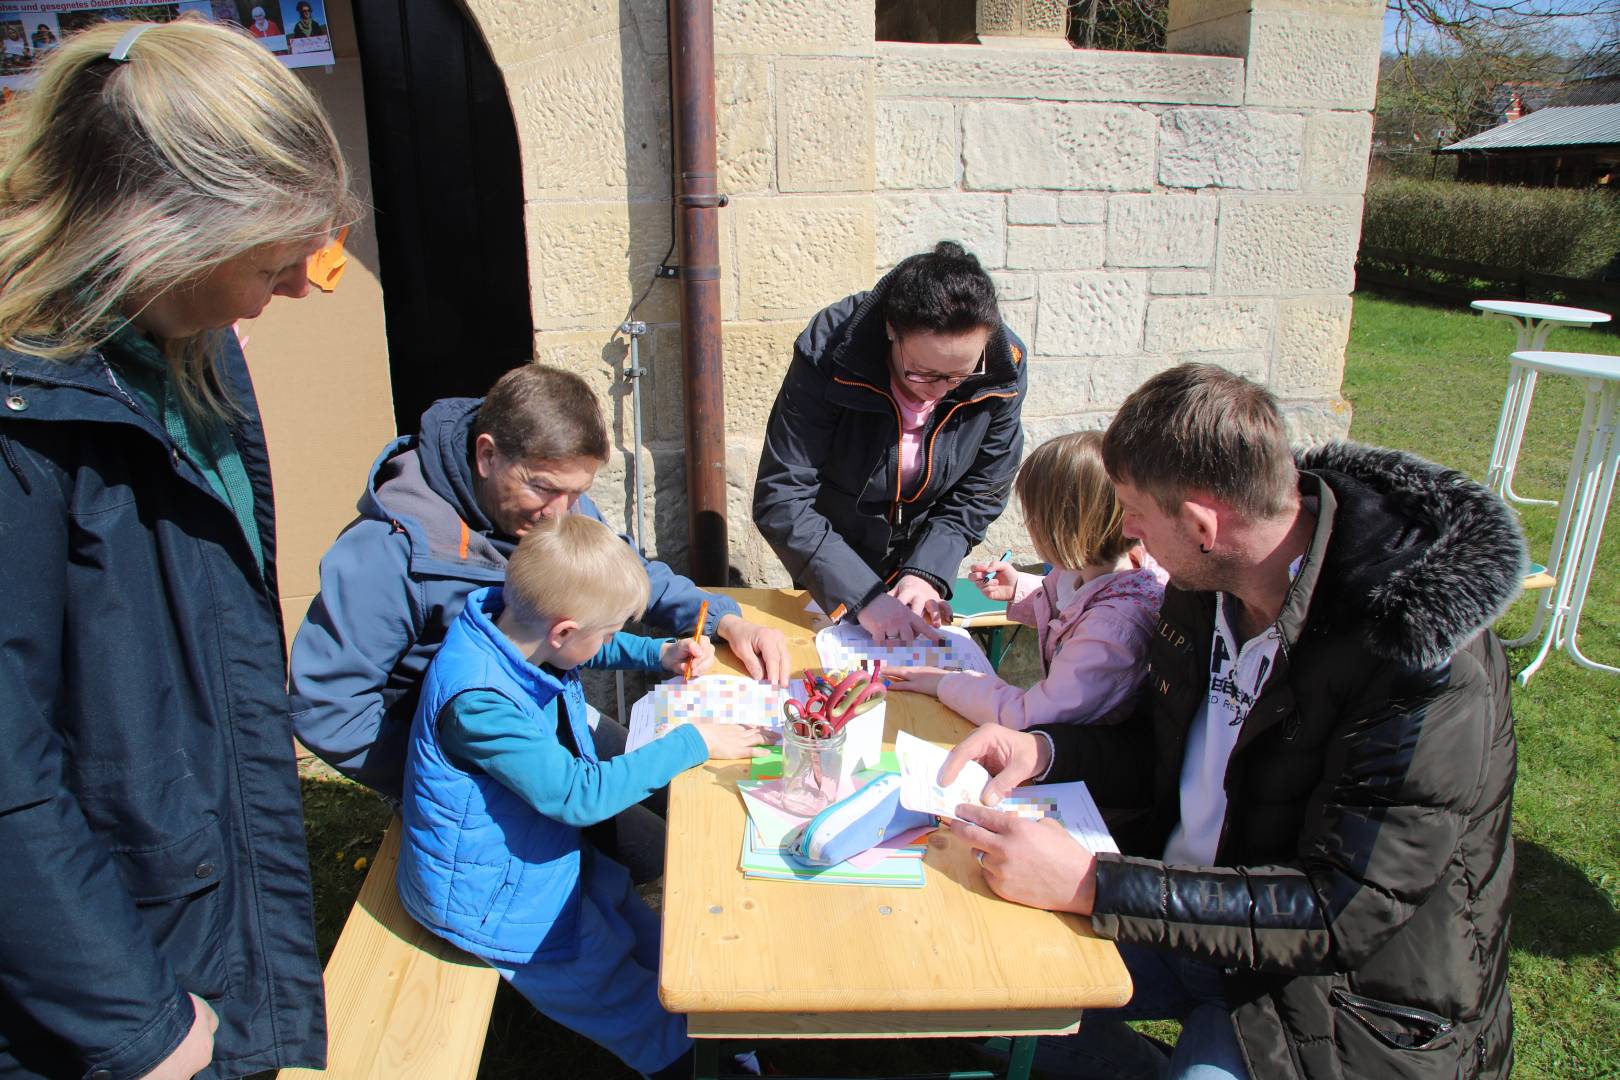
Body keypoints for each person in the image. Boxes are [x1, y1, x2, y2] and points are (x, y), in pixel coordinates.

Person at [940, 364, 1522, 1079]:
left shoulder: (1420, 659)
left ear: (1203, 523)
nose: (1127, 533)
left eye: (1135, 512)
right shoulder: (1204, 583)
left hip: (1337, 998)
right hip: (1191, 915)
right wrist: (1042, 750)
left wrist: (1096, 885)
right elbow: (1161, 751)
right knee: (972, 986)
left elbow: (1340, 910)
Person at [0, 18, 354, 1078]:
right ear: (159, 237)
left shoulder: (184, 352)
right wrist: (138, 1026)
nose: (298, 289)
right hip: (105, 990)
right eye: (273, 260)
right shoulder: (27, 421)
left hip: (188, 913)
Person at [290, 363, 790, 808]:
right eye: (544, 488)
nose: (561, 514)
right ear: (487, 456)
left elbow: (627, 577)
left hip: (554, 722)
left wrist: (724, 619)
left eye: (577, 494)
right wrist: (443, 776)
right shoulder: (389, 550)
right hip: (481, 768)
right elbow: (328, 712)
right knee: (640, 839)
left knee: (681, 809)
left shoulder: (558, 506)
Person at [397, 514, 773, 1079]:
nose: (609, 638)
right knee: (629, 1003)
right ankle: (706, 1067)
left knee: (656, 942)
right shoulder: (479, 704)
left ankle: (722, 1038)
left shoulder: (510, 626)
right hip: (502, 906)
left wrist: (659, 655)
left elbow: (583, 648)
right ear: (563, 630)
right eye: (608, 628)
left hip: (539, 857)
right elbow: (578, 795)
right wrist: (694, 741)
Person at [752, 240, 1028, 645]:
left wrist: (927, 572)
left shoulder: (1003, 369)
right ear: (891, 330)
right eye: (921, 372)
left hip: (926, 550)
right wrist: (862, 595)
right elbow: (783, 496)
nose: (937, 391)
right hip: (834, 548)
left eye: (959, 376)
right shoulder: (830, 350)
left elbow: (982, 490)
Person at [888, 431, 1166, 729]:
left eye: (1033, 516)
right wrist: (1018, 588)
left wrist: (946, 684)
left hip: (1079, 759)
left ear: (1062, 526)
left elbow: (1030, 715)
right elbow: (1070, 605)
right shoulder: (1094, 570)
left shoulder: (1110, 632)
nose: (1028, 525)